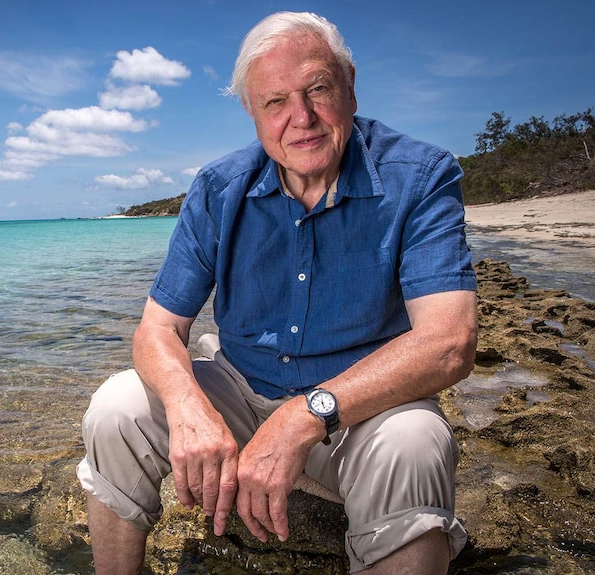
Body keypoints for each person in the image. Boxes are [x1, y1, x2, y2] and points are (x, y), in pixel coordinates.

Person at [77, 10, 477, 575]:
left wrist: (301, 418)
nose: (302, 118)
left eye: (318, 89)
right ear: (252, 111)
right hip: (241, 388)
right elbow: (157, 329)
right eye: (276, 101)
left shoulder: (420, 176)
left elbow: (448, 343)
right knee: (117, 408)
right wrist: (190, 409)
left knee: (413, 441)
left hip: (358, 412)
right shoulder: (219, 189)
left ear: (350, 87)